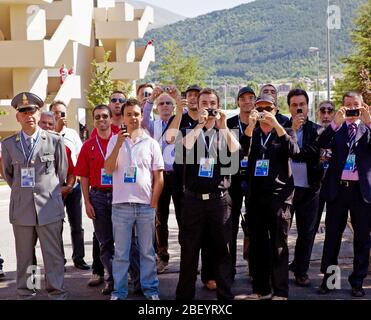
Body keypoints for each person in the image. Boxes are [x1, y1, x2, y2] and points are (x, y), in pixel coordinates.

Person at [1, 92, 68, 299]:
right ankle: (27, 293)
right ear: (17, 116)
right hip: (22, 211)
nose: (28, 115)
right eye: (23, 111)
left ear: (39, 114)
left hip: (49, 208)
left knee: (53, 257)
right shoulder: (9, 144)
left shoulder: (55, 141)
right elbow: (9, 175)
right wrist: (24, 193)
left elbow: (61, 172)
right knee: (25, 258)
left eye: (32, 110)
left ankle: (56, 293)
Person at [175, 88, 240, 300]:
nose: (209, 106)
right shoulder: (190, 131)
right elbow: (182, 149)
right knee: (189, 253)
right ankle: (184, 299)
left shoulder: (225, 130)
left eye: (212, 103)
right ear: (198, 105)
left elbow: (237, 150)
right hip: (193, 202)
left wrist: (222, 126)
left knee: (223, 252)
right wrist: (201, 125)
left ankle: (225, 298)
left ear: (218, 105)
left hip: (219, 202)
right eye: (204, 103)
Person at [237, 95, 300, 300]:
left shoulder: (285, 130)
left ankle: (281, 291)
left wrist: (276, 126)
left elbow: (294, 151)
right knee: (257, 244)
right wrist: (251, 124)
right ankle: (260, 289)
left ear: (275, 110)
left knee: (279, 244)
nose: (264, 111)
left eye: (268, 108)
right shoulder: (252, 132)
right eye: (260, 108)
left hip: (279, 197)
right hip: (256, 197)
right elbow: (241, 150)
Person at [105, 99, 164, 300]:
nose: (133, 118)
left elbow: (159, 178)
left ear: (142, 116)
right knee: (121, 254)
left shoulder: (151, 143)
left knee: (147, 252)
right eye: (129, 114)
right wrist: (119, 144)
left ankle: (151, 290)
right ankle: (119, 292)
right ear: (123, 117)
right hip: (121, 206)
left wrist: (153, 204)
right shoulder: (114, 140)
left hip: (145, 206)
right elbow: (108, 169)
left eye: (136, 114)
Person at [317, 91, 371, 298]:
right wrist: (334, 124)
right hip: (338, 190)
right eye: (347, 105)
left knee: (362, 239)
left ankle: (357, 282)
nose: (351, 109)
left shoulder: (367, 128)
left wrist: (369, 123)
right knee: (332, 238)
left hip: (361, 192)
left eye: (355, 104)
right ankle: (330, 281)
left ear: (363, 106)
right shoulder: (337, 128)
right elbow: (321, 145)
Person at [165, 84, 218, 290]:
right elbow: (170, 139)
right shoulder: (183, 118)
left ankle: (209, 275)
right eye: (191, 96)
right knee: (188, 235)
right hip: (184, 185)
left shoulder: (215, 121)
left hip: (211, 186)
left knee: (210, 236)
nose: (194, 99)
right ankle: (188, 277)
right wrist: (179, 111)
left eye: (198, 96)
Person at [75, 104, 115, 296]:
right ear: (94, 120)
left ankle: (134, 278)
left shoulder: (120, 140)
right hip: (98, 196)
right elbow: (83, 176)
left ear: (110, 118)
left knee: (128, 241)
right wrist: (87, 202)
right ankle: (111, 280)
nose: (101, 120)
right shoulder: (88, 145)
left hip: (120, 196)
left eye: (104, 116)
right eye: (97, 117)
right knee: (105, 242)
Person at [285, 89, 322, 287]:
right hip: (286, 189)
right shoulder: (281, 127)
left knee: (306, 232)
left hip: (310, 188)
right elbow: (279, 151)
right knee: (282, 232)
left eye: (302, 104)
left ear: (308, 106)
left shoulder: (316, 130)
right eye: (294, 105)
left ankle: (301, 270)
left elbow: (311, 153)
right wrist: (290, 130)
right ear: (289, 107)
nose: (299, 108)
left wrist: (293, 152)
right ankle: (281, 269)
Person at [142, 86, 179, 274]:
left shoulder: (180, 121)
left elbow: (187, 111)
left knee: (184, 218)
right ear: (157, 107)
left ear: (173, 107)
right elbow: (142, 119)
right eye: (161, 103)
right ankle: (162, 256)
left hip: (178, 176)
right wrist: (150, 99)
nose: (165, 106)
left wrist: (177, 97)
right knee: (160, 219)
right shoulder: (153, 124)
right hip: (160, 176)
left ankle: (188, 257)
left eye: (168, 103)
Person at [50, 101, 89, 270]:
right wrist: (56, 130)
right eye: (57, 113)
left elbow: (80, 156)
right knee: (56, 225)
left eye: (63, 113)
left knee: (76, 224)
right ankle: (60, 260)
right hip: (54, 187)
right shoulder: (46, 134)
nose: (60, 116)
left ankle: (79, 258)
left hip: (73, 185)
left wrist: (77, 180)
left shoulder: (72, 134)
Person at [226, 86, 256, 280]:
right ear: (237, 102)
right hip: (233, 178)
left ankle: (254, 268)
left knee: (254, 225)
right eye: (242, 98)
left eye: (250, 98)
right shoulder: (228, 123)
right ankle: (229, 270)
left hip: (254, 179)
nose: (246, 101)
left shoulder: (261, 122)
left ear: (255, 101)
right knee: (230, 225)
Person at [314, 101, 336, 234]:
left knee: (333, 225)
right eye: (323, 111)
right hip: (316, 183)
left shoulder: (341, 132)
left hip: (334, 183)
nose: (326, 115)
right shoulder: (312, 132)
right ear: (318, 114)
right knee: (312, 223)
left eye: (330, 111)